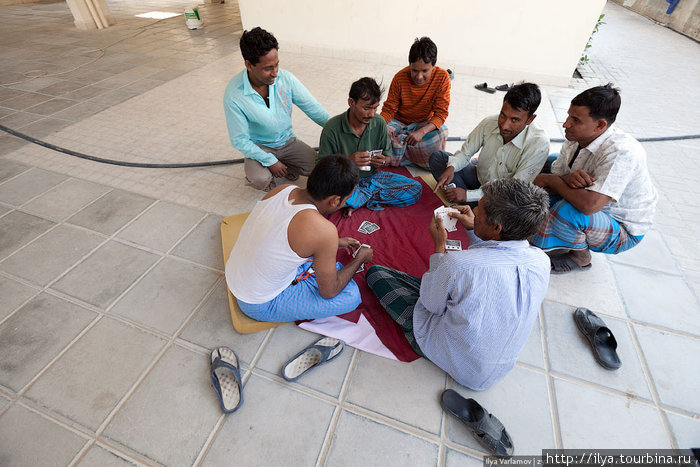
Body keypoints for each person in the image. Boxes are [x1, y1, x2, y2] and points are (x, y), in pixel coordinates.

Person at [366, 178, 550, 390]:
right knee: (447, 285)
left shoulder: (458, 265)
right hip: (495, 367)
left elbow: (431, 305)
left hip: (458, 362)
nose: (473, 211)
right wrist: (475, 228)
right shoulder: (541, 261)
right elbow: (494, 254)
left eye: (479, 210)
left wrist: (439, 247)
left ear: (496, 227)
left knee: (377, 274)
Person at [225, 155, 373, 322]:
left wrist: (335, 243)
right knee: (351, 296)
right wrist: (359, 260)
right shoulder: (323, 230)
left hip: (236, 276)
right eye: (347, 198)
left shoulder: (283, 190)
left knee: (320, 260)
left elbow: (277, 236)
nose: (347, 202)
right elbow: (329, 292)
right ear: (335, 200)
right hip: (257, 302)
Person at [531, 84, 658, 274]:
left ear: (600, 125)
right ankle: (566, 238)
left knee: (566, 211)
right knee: (549, 165)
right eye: (568, 116)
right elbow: (557, 173)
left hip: (623, 229)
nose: (566, 124)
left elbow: (590, 206)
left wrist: (555, 181)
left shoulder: (622, 152)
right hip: (593, 205)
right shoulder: (577, 137)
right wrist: (565, 178)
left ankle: (580, 257)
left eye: (575, 120)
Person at [223, 27, 330, 191]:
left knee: (320, 170)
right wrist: (270, 161)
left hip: (288, 142)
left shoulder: (285, 79)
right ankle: (270, 172)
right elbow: (240, 140)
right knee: (260, 179)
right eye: (268, 68)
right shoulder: (234, 95)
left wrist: (341, 127)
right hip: (260, 146)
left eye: (277, 65)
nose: (275, 73)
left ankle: (287, 165)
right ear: (249, 65)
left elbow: (313, 109)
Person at [431, 82, 549, 204]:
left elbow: (514, 189)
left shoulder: (538, 144)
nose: (504, 125)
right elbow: (466, 153)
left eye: (514, 120)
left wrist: (468, 195)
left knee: (507, 206)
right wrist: (452, 167)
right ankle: (471, 207)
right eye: (503, 115)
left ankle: (472, 206)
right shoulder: (489, 122)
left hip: (500, 198)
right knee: (438, 158)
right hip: (478, 179)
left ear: (530, 119)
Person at [318, 77, 422, 215]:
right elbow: (320, 169)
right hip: (343, 184)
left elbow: (388, 158)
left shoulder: (379, 123)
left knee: (415, 189)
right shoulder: (332, 128)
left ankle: (360, 198)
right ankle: (359, 197)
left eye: (375, 108)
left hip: (372, 180)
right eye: (366, 108)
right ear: (351, 102)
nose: (372, 114)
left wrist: (383, 161)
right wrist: (348, 161)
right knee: (324, 199)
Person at [380, 37, 451, 168]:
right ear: (410, 65)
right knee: (381, 130)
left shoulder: (442, 77)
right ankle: (408, 156)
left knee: (442, 132)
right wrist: (377, 126)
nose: (419, 77)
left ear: (433, 66)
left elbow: (441, 114)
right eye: (414, 70)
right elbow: (389, 109)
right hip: (399, 122)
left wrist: (422, 132)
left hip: (423, 123)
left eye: (425, 71)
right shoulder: (399, 78)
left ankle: (397, 155)